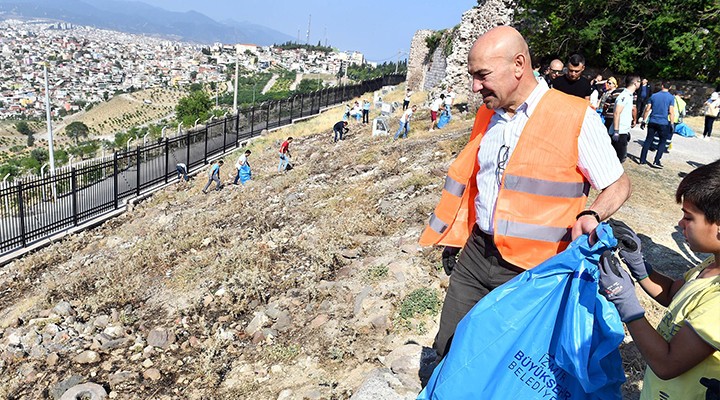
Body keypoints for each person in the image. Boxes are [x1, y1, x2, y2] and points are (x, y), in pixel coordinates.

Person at [419, 26, 631, 359]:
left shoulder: (575, 117)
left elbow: (618, 183)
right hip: (476, 255)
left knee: (506, 362)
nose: (475, 87)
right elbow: (476, 182)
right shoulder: (487, 114)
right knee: (449, 349)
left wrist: (592, 213)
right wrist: (453, 237)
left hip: (534, 271)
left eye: (482, 75)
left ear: (519, 65)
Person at [598, 159, 720, 400]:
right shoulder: (712, 264)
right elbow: (674, 294)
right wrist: (639, 265)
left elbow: (666, 363)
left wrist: (626, 304)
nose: (680, 224)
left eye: (689, 217)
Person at [639, 82, 675, 169]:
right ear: (669, 87)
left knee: (648, 140)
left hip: (652, 120)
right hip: (663, 122)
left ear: (662, 86)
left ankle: (642, 159)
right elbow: (671, 112)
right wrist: (672, 124)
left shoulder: (654, 96)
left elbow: (647, 109)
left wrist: (644, 120)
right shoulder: (671, 97)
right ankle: (656, 160)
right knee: (662, 142)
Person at [610, 76, 640, 163]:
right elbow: (616, 113)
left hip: (623, 131)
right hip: (620, 132)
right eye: (639, 82)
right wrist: (616, 131)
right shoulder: (624, 95)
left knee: (620, 158)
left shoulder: (630, 95)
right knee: (618, 158)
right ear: (635, 83)